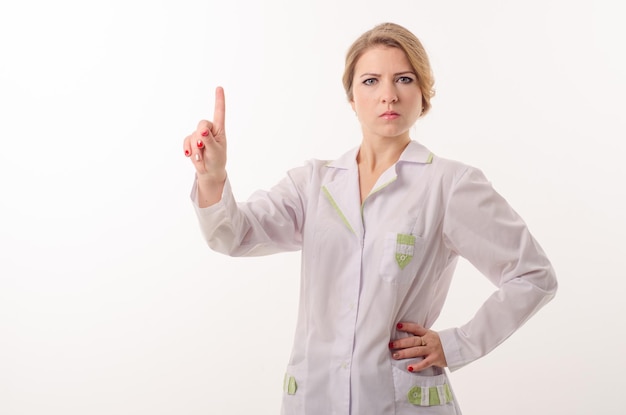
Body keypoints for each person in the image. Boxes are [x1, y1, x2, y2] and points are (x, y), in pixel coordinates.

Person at [182, 22, 557, 415]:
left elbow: (533, 275)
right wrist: (211, 176)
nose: (388, 95)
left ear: (423, 95)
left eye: (404, 79)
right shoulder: (313, 183)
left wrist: (456, 344)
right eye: (371, 81)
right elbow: (232, 236)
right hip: (315, 399)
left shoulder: (450, 184)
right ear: (351, 97)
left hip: (401, 400)